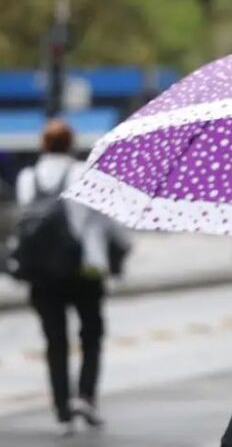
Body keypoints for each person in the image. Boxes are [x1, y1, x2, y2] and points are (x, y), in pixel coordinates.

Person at [15, 119, 126, 436]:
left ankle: (63, 410)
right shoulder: (83, 174)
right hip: (84, 269)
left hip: (41, 273)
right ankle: (86, 397)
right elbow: (104, 219)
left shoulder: (27, 177)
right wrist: (122, 247)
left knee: (55, 341)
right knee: (91, 334)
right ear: (72, 143)